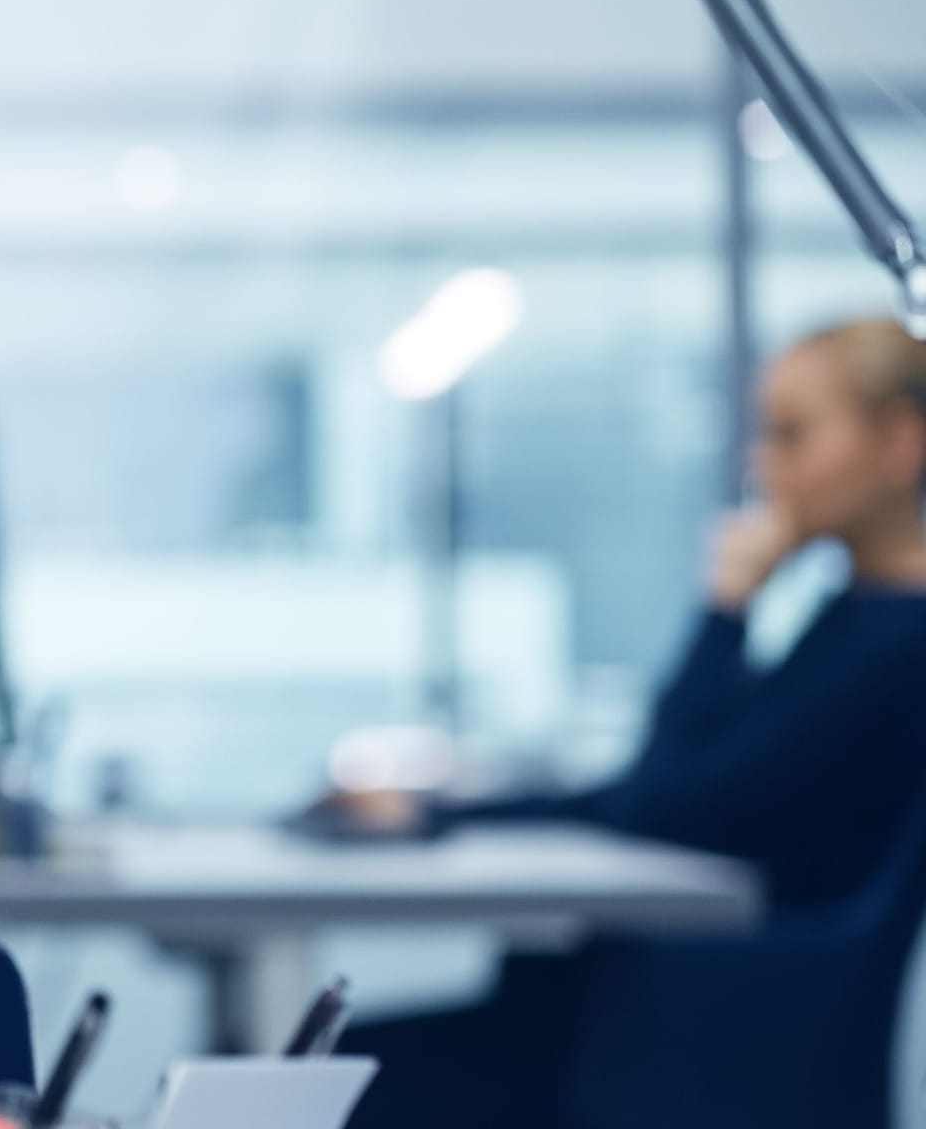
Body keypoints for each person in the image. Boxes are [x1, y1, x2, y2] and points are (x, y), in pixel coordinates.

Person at [337, 316, 926, 1127]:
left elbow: (662, 805)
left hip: (718, 1027)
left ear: (901, 440)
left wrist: (727, 609)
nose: (765, 466)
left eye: (792, 435)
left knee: (342, 1078)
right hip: (687, 1003)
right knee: (346, 1062)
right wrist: (441, 813)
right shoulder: (851, 620)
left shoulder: (897, 647)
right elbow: (656, 792)